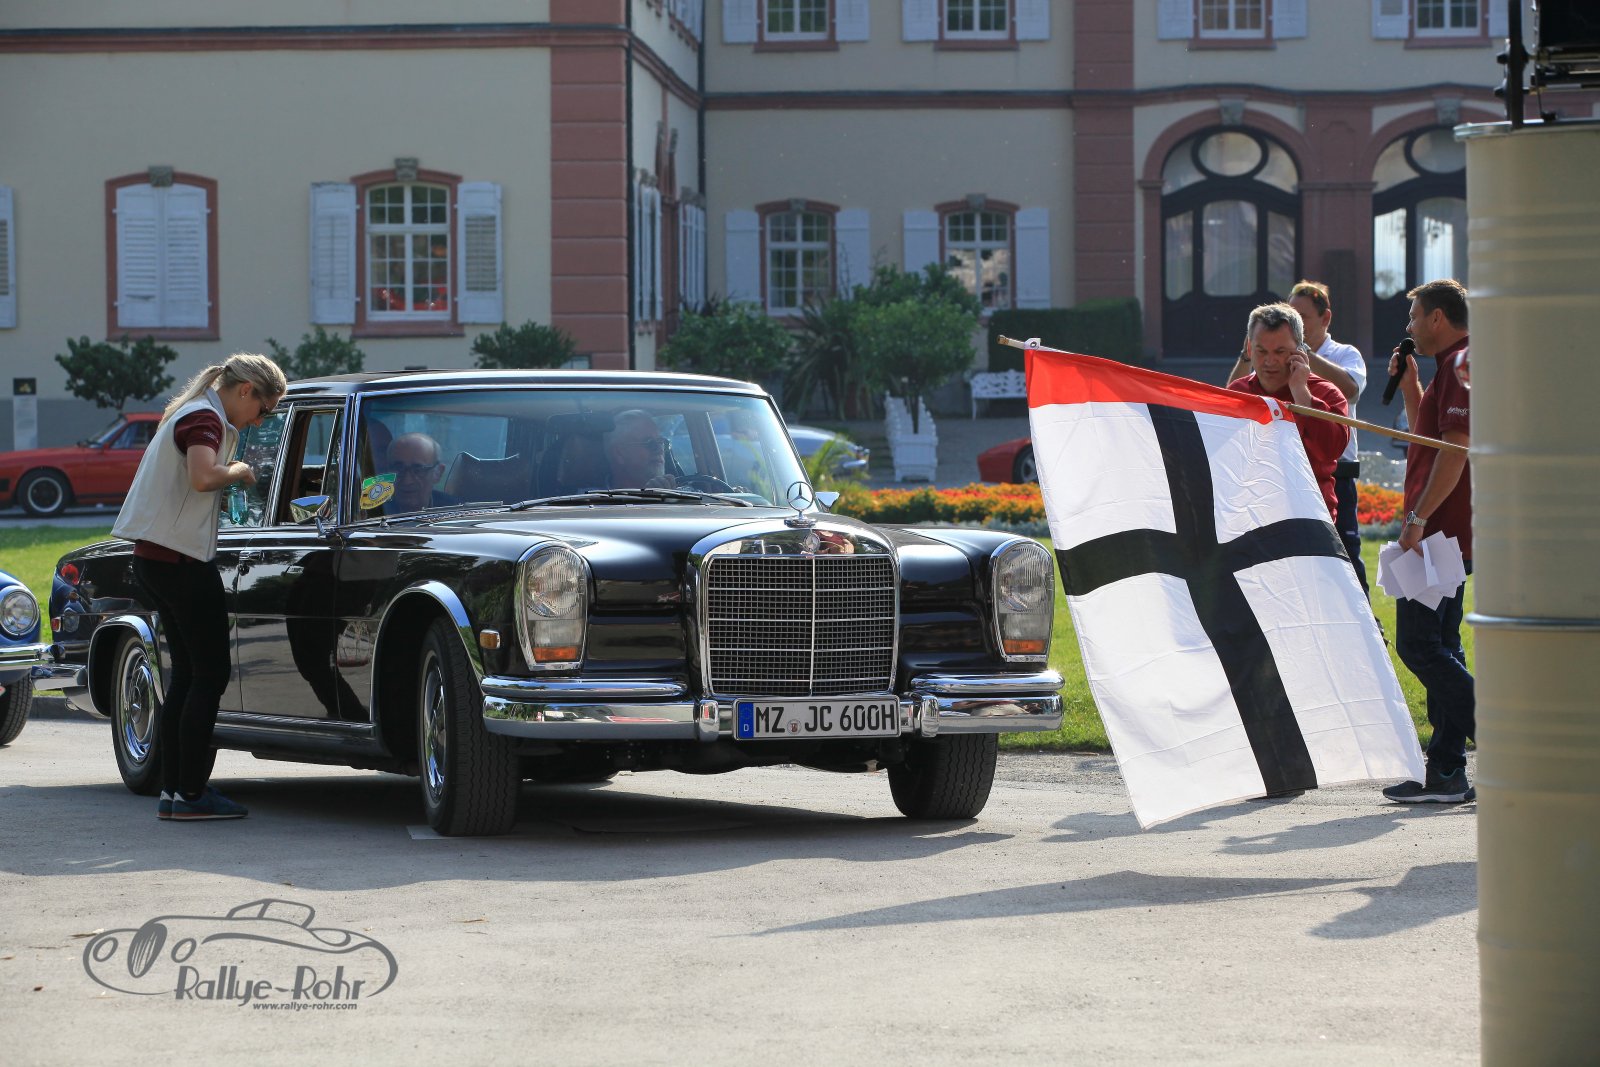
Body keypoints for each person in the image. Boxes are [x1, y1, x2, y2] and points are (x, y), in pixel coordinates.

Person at [112, 352, 287, 821]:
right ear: (246, 390)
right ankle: (190, 793)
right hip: (180, 562)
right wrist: (240, 471)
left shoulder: (193, 412)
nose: (259, 421)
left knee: (189, 675)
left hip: (157, 559)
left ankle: (175, 791)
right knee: (210, 674)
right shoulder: (205, 419)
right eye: (263, 409)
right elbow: (203, 476)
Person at [1381, 278, 1475, 805]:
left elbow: (1456, 450)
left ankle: (1503, 740)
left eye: (1415, 316)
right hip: (1441, 534)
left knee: (1419, 646)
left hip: (1440, 536)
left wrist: (1418, 518)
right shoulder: (1449, 368)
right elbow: (1427, 436)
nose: (1410, 326)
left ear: (1438, 317)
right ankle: (1445, 771)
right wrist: (1411, 386)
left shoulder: (1461, 365)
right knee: (1442, 644)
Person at [1227, 303, 1351, 521]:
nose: (1269, 361)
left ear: (1300, 351)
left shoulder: (1326, 393)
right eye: (1261, 351)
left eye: (1280, 352)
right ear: (1249, 349)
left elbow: (1332, 449)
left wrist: (1301, 393)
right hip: (1248, 516)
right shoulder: (1238, 393)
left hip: (1307, 517)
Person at [387, 431, 460, 512]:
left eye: (418, 470)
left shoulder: (456, 510)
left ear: (438, 473)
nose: (407, 481)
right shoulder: (378, 511)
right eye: (399, 468)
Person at [604, 410, 672, 489]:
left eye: (660, 442)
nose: (659, 450)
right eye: (649, 443)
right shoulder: (594, 496)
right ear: (619, 453)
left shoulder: (679, 493)